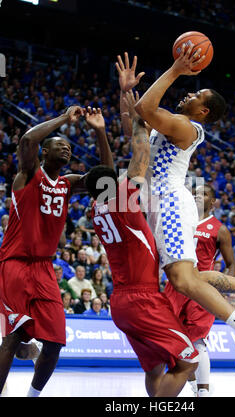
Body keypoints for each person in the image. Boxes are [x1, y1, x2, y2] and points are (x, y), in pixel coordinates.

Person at [117, 50, 235, 370]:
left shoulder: (188, 128)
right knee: (184, 278)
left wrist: (176, 69)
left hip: (171, 204)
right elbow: (135, 132)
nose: (189, 92)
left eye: (196, 94)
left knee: (182, 281)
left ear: (203, 110)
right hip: (160, 205)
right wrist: (124, 93)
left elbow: (145, 109)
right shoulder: (172, 125)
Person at [85, 90, 200, 397]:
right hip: (142, 300)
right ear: (114, 186)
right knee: (189, 362)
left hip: (120, 302)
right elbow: (141, 157)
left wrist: (101, 133)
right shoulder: (122, 198)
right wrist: (139, 113)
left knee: (154, 367)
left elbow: (106, 172)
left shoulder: (97, 209)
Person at [0, 104, 108, 397]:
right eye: (59, 145)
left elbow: (107, 182)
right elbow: (26, 141)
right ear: (44, 152)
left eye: (69, 147)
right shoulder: (27, 174)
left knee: (56, 341)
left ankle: (32, 395)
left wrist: (100, 133)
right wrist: (63, 119)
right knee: (12, 337)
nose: (66, 149)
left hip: (45, 268)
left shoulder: (68, 184)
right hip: (16, 263)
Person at [164, 182, 235, 397]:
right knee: (175, 339)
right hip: (175, 285)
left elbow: (231, 264)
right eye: (194, 193)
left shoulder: (219, 229)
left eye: (203, 194)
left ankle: (203, 391)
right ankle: (195, 387)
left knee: (197, 340)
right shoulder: (180, 222)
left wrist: (222, 289)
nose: (197, 196)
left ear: (212, 202)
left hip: (201, 286)